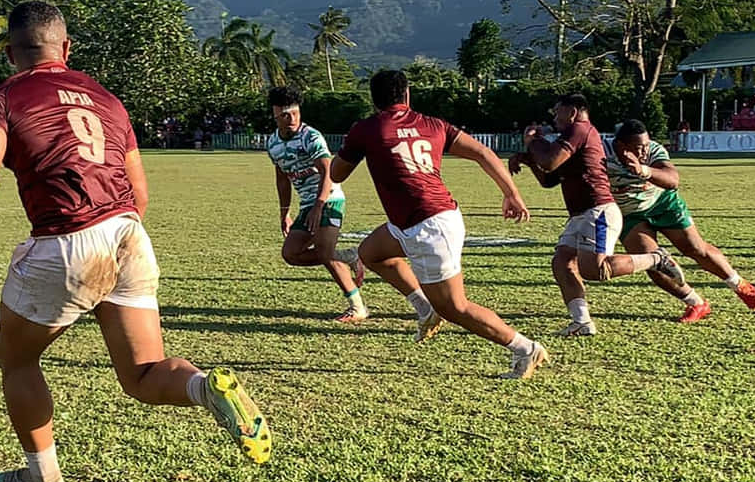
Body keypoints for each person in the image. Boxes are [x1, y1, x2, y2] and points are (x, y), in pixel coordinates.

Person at [0, 1, 271, 482]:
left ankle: (42, 481)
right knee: (143, 373)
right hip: (127, 232)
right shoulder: (106, 99)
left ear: (11, 52)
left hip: (67, 238)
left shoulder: (3, 98)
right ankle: (207, 387)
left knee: (16, 360)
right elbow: (139, 191)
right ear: (67, 47)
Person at [330, 69, 548, 378]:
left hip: (428, 228)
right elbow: (483, 153)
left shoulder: (367, 129)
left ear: (374, 100)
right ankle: (425, 308)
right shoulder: (433, 124)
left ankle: (525, 348)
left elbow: (337, 174)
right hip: (426, 220)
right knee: (371, 253)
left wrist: (355, 147)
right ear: (407, 95)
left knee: (455, 308)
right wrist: (512, 194)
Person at [510, 93, 688, 338]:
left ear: (572, 111)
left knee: (596, 270)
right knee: (562, 263)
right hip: (581, 214)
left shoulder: (580, 129)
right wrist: (529, 160)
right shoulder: (572, 136)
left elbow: (550, 161)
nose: (554, 116)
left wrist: (532, 142)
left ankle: (656, 259)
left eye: (557, 110)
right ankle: (581, 322)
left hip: (598, 210)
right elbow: (549, 179)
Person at [605, 120, 755, 323]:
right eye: (638, 148)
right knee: (651, 262)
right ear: (621, 146)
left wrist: (645, 170)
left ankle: (738, 284)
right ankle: (696, 303)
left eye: (646, 145)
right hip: (628, 214)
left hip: (663, 203)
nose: (644, 151)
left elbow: (673, 180)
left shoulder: (653, 150)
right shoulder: (602, 150)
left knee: (695, 249)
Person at [264, 86, 368, 322]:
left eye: (295, 113)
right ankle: (349, 256)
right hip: (307, 205)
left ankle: (357, 306)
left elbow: (328, 171)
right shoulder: (273, 143)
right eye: (285, 115)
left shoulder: (310, 136)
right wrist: (284, 213)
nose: (291, 119)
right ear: (275, 115)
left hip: (329, 199)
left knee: (324, 252)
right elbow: (281, 178)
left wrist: (319, 205)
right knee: (291, 254)